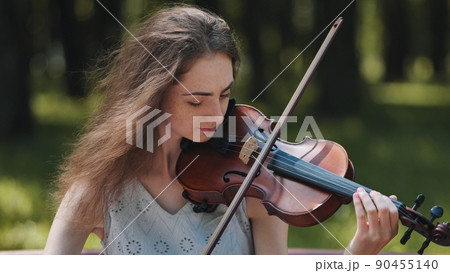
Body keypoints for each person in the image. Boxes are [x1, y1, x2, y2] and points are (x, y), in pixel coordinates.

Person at [44, 5, 398, 255]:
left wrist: (356, 259)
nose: (216, 115)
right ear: (150, 98)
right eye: (196, 101)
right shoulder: (98, 189)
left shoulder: (255, 188)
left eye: (225, 95)